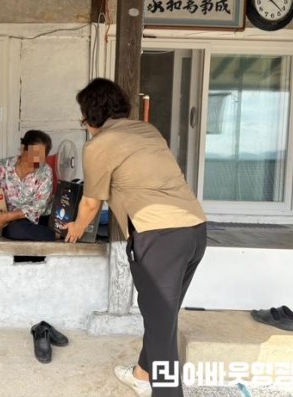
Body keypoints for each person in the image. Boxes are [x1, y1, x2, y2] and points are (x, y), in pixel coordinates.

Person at [63, 78, 207, 397]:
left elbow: (90, 204)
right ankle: (143, 374)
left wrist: (76, 228)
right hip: (196, 231)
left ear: (91, 115)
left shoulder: (98, 145)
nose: (85, 125)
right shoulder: (147, 131)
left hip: (160, 239)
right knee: (162, 319)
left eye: (83, 118)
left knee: (161, 329)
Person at [0, 130, 55, 241]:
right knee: (14, 229)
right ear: (23, 148)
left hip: (38, 218)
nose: (37, 161)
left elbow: (38, 208)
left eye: (42, 156)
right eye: (34, 154)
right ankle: (53, 234)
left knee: (17, 229)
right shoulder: (2, 167)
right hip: (11, 222)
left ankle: (56, 234)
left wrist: (7, 216)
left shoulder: (45, 172)